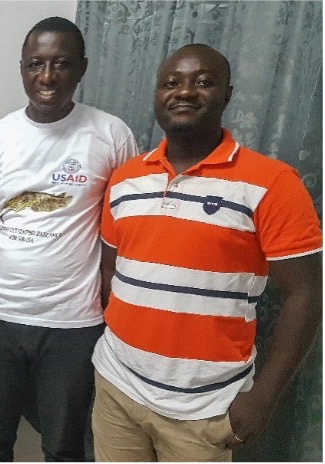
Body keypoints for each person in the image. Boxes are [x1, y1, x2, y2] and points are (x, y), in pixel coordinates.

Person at [92, 44, 322, 461]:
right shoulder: (126, 179)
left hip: (205, 408)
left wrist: (264, 397)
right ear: (157, 94)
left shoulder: (273, 183)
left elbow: (304, 295)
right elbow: (113, 268)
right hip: (117, 387)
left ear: (227, 94)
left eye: (203, 82)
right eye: (171, 83)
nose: (185, 92)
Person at [0, 17, 139, 461]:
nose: (47, 76)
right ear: (22, 68)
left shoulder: (112, 134)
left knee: (64, 444)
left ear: (81, 68)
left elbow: (125, 228)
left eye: (61, 63)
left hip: (72, 323)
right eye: (36, 64)